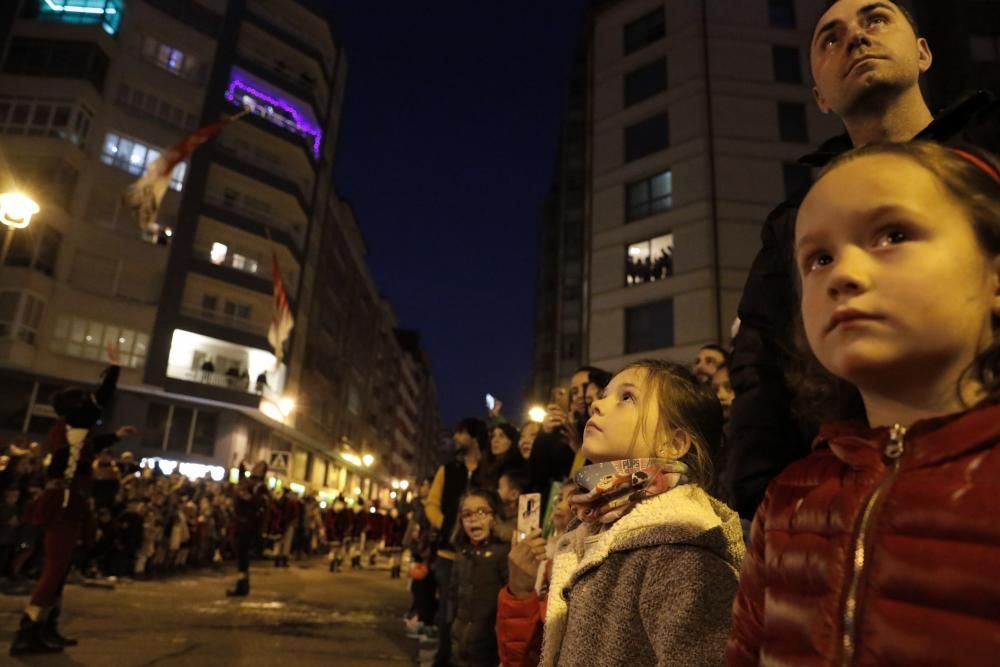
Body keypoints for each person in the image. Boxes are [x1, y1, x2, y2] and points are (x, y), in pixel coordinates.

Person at [726, 0, 1000, 524]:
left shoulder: (990, 153)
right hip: (856, 498)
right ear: (819, 97)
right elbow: (761, 356)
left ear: (923, 52)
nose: (854, 37)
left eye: (875, 19)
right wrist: (769, 496)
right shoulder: (794, 222)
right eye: (829, 38)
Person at [728, 142, 1000, 665]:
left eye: (893, 234)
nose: (842, 274)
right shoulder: (789, 499)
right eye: (818, 258)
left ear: (995, 274)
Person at [497, 361, 744, 667]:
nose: (598, 404)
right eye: (603, 394)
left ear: (674, 442)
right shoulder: (588, 529)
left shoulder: (681, 546)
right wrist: (520, 594)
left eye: (626, 397)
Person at [10, 359, 135, 656]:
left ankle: (46, 626)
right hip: (64, 503)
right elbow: (101, 399)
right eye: (83, 402)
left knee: (61, 569)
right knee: (55, 569)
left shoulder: (73, 432)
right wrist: (114, 369)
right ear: (74, 408)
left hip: (70, 501)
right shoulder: (74, 424)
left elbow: (90, 444)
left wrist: (116, 437)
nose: (90, 406)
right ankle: (28, 630)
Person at [424, 418, 486, 667]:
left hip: (480, 553)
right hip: (448, 553)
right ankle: (443, 657)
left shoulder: (488, 470)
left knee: (473, 610)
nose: (456, 438)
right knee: (446, 610)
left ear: (473, 437)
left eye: (460, 433)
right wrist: (446, 526)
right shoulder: (447, 469)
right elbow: (431, 504)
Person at [528, 367, 610, 503]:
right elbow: (538, 475)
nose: (579, 396)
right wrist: (545, 433)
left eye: (599, 396)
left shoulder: (612, 428)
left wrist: (582, 450)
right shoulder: (566, 432)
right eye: (574, 391)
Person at [448, 489, 509, 667]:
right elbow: (453, 593)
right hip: (460, 642)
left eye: (482, 512)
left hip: (489, 644)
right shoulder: (462, 552)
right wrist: (450, 624)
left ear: (494, 516)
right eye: (467, 514)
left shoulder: (503, 552)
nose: (474, 518)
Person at [225, 461, 269, 597]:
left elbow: (262, 503)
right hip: (239, 522)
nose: (255, 467)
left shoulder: (260, 486)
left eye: (259, 467)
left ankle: (242, 584)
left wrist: (248, 498)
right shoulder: (248, 481)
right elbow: (239, 487)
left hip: (248, 524)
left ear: (263, 471)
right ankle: (243, 582)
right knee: (240, 553)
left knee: (242, 553)